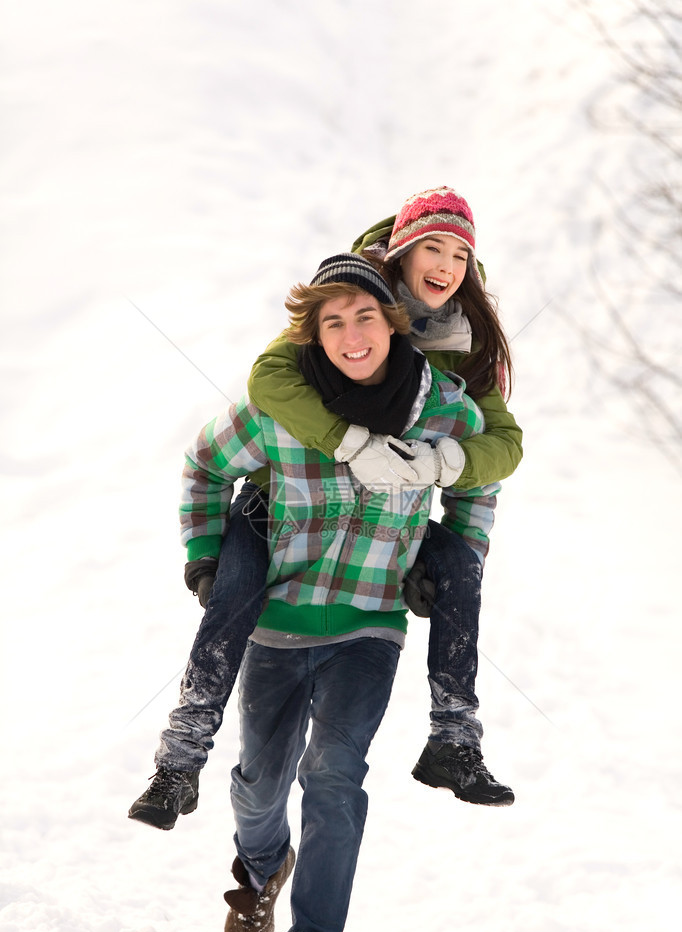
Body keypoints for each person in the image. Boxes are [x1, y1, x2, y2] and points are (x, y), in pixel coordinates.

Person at [128, 186, 521, 833]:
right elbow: (270, 380)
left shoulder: (462, 340)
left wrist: (443, 466)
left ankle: (454, 735)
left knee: (461, 560)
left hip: (389, 512)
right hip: (287, 496)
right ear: (401, 252)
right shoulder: (347, 301)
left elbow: (502, 445)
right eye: (433, 246)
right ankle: (180, 757)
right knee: (236, 582)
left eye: (461, 253)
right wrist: (348, 442)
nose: (448, 264)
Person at [175, 255, 499, 932]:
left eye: (364, 317)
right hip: (277, 623)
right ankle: (261, 870)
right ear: (314, 336)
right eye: (333, 322)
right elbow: (203, 465)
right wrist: (206, 559)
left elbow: (479, 491)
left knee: (333, 774)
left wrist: (452, 564)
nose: (351, 335)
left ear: (392, 323)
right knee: (259, 780)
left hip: (369, 626)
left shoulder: (444, 411)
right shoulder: (282, 408)